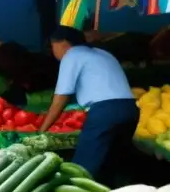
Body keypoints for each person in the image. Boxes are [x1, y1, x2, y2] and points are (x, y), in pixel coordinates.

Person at [40, 26, 138, 183]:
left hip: (105, 112)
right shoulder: (104, 54)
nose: (53, 52)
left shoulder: (71, 55)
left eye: (52, 46)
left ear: (63, 43)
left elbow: (61, 97)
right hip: (130, 109)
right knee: (115, 163)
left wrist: (42, 129)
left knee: (82, 168)